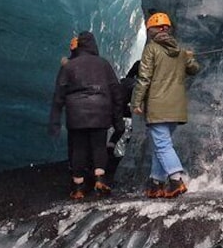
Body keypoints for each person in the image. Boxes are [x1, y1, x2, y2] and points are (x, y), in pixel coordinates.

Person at [131, 13, 200, 198]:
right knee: (160, 145)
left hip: (158, 105)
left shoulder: (151, 49)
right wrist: (189, 57)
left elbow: (144, 78)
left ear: (152, 30)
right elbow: (194, 69)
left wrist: (136, 102)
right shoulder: (180, 51)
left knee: (162, 145)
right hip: (176, 107)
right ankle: (156, 183)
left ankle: (176, 180)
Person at [49, 31, 124, 199]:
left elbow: (59, 94)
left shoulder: (69, 65)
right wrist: (117, 116)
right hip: (100, 110)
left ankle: (78, 186)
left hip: (76, 113)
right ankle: (99, 177)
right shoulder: (103, 64)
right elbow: (116, 90)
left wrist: (54, 120)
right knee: (99, 145)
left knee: (79, 148)